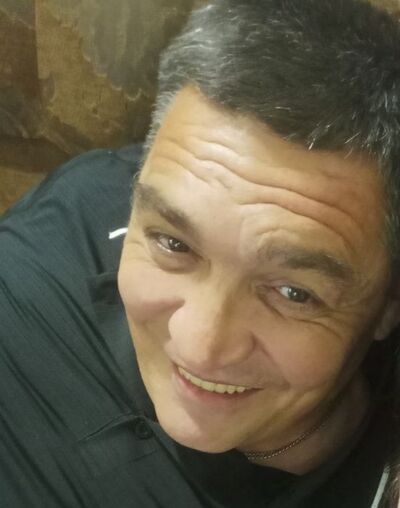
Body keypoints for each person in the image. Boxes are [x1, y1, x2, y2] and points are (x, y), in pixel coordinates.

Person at [1, 0, 399, 506]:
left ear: (388, 304)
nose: (199, 347)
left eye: (293, 292)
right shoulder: (44, 257)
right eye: (173, 244)